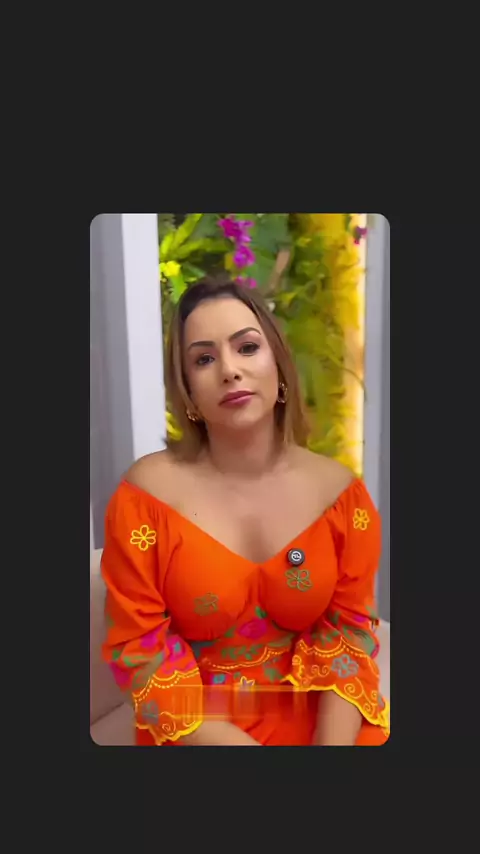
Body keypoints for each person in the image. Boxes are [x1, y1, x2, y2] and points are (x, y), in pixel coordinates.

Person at [101, 275, 390, 746]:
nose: (229, 370)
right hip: (198, 731)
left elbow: (349, 637)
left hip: (323, 726)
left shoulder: (342, 497)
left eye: (247, 347)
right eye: (204, 358)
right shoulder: (145, 498)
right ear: (187, 391)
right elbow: (139, 653)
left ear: (278, 364)